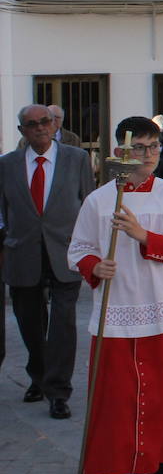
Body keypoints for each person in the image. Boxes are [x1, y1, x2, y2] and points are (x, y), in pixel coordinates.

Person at [68, 116, 163, 474]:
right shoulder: (99, 200)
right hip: (116, 314)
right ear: (121, 152)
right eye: (139, 148)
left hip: (161, 311)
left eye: (155, 147)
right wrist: (93, 266)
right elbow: (78, 249)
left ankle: (157, 463)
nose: (149, 155)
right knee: (118, 403)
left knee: (161, 398)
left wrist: (142, 235)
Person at [1, 104, 95, 418]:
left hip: (65, 251)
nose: (40, 128)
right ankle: (38, 374)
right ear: (22, 131)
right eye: (32, 124)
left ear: (54, 125)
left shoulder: (76, 159)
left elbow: (88, 205)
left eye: (45, 122)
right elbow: (3, 212)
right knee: (29, 321)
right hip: (23, 252)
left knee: (63, 324)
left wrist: (89, 248)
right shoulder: (8, 165)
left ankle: (58, 391)